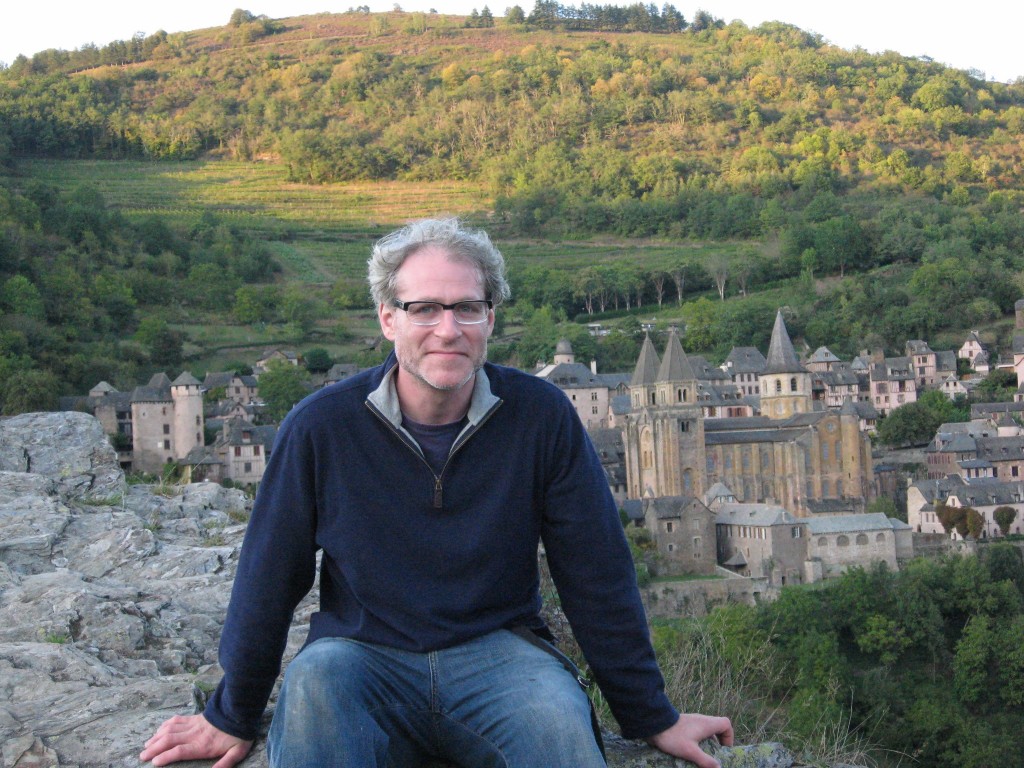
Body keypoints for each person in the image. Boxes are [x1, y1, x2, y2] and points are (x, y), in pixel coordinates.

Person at [141, 218, 733, 768]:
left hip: (502, 658)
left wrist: (651, 715)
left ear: (490, 319)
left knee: (557, 729)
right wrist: (232, 713)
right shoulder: (322, 426)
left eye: (466, 308)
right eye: (423, 308)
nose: (447, 329)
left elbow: (596, 571)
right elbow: (270, 573)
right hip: (358, 657)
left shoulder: (540, 417)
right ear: (388, 319)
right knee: (317, 690)